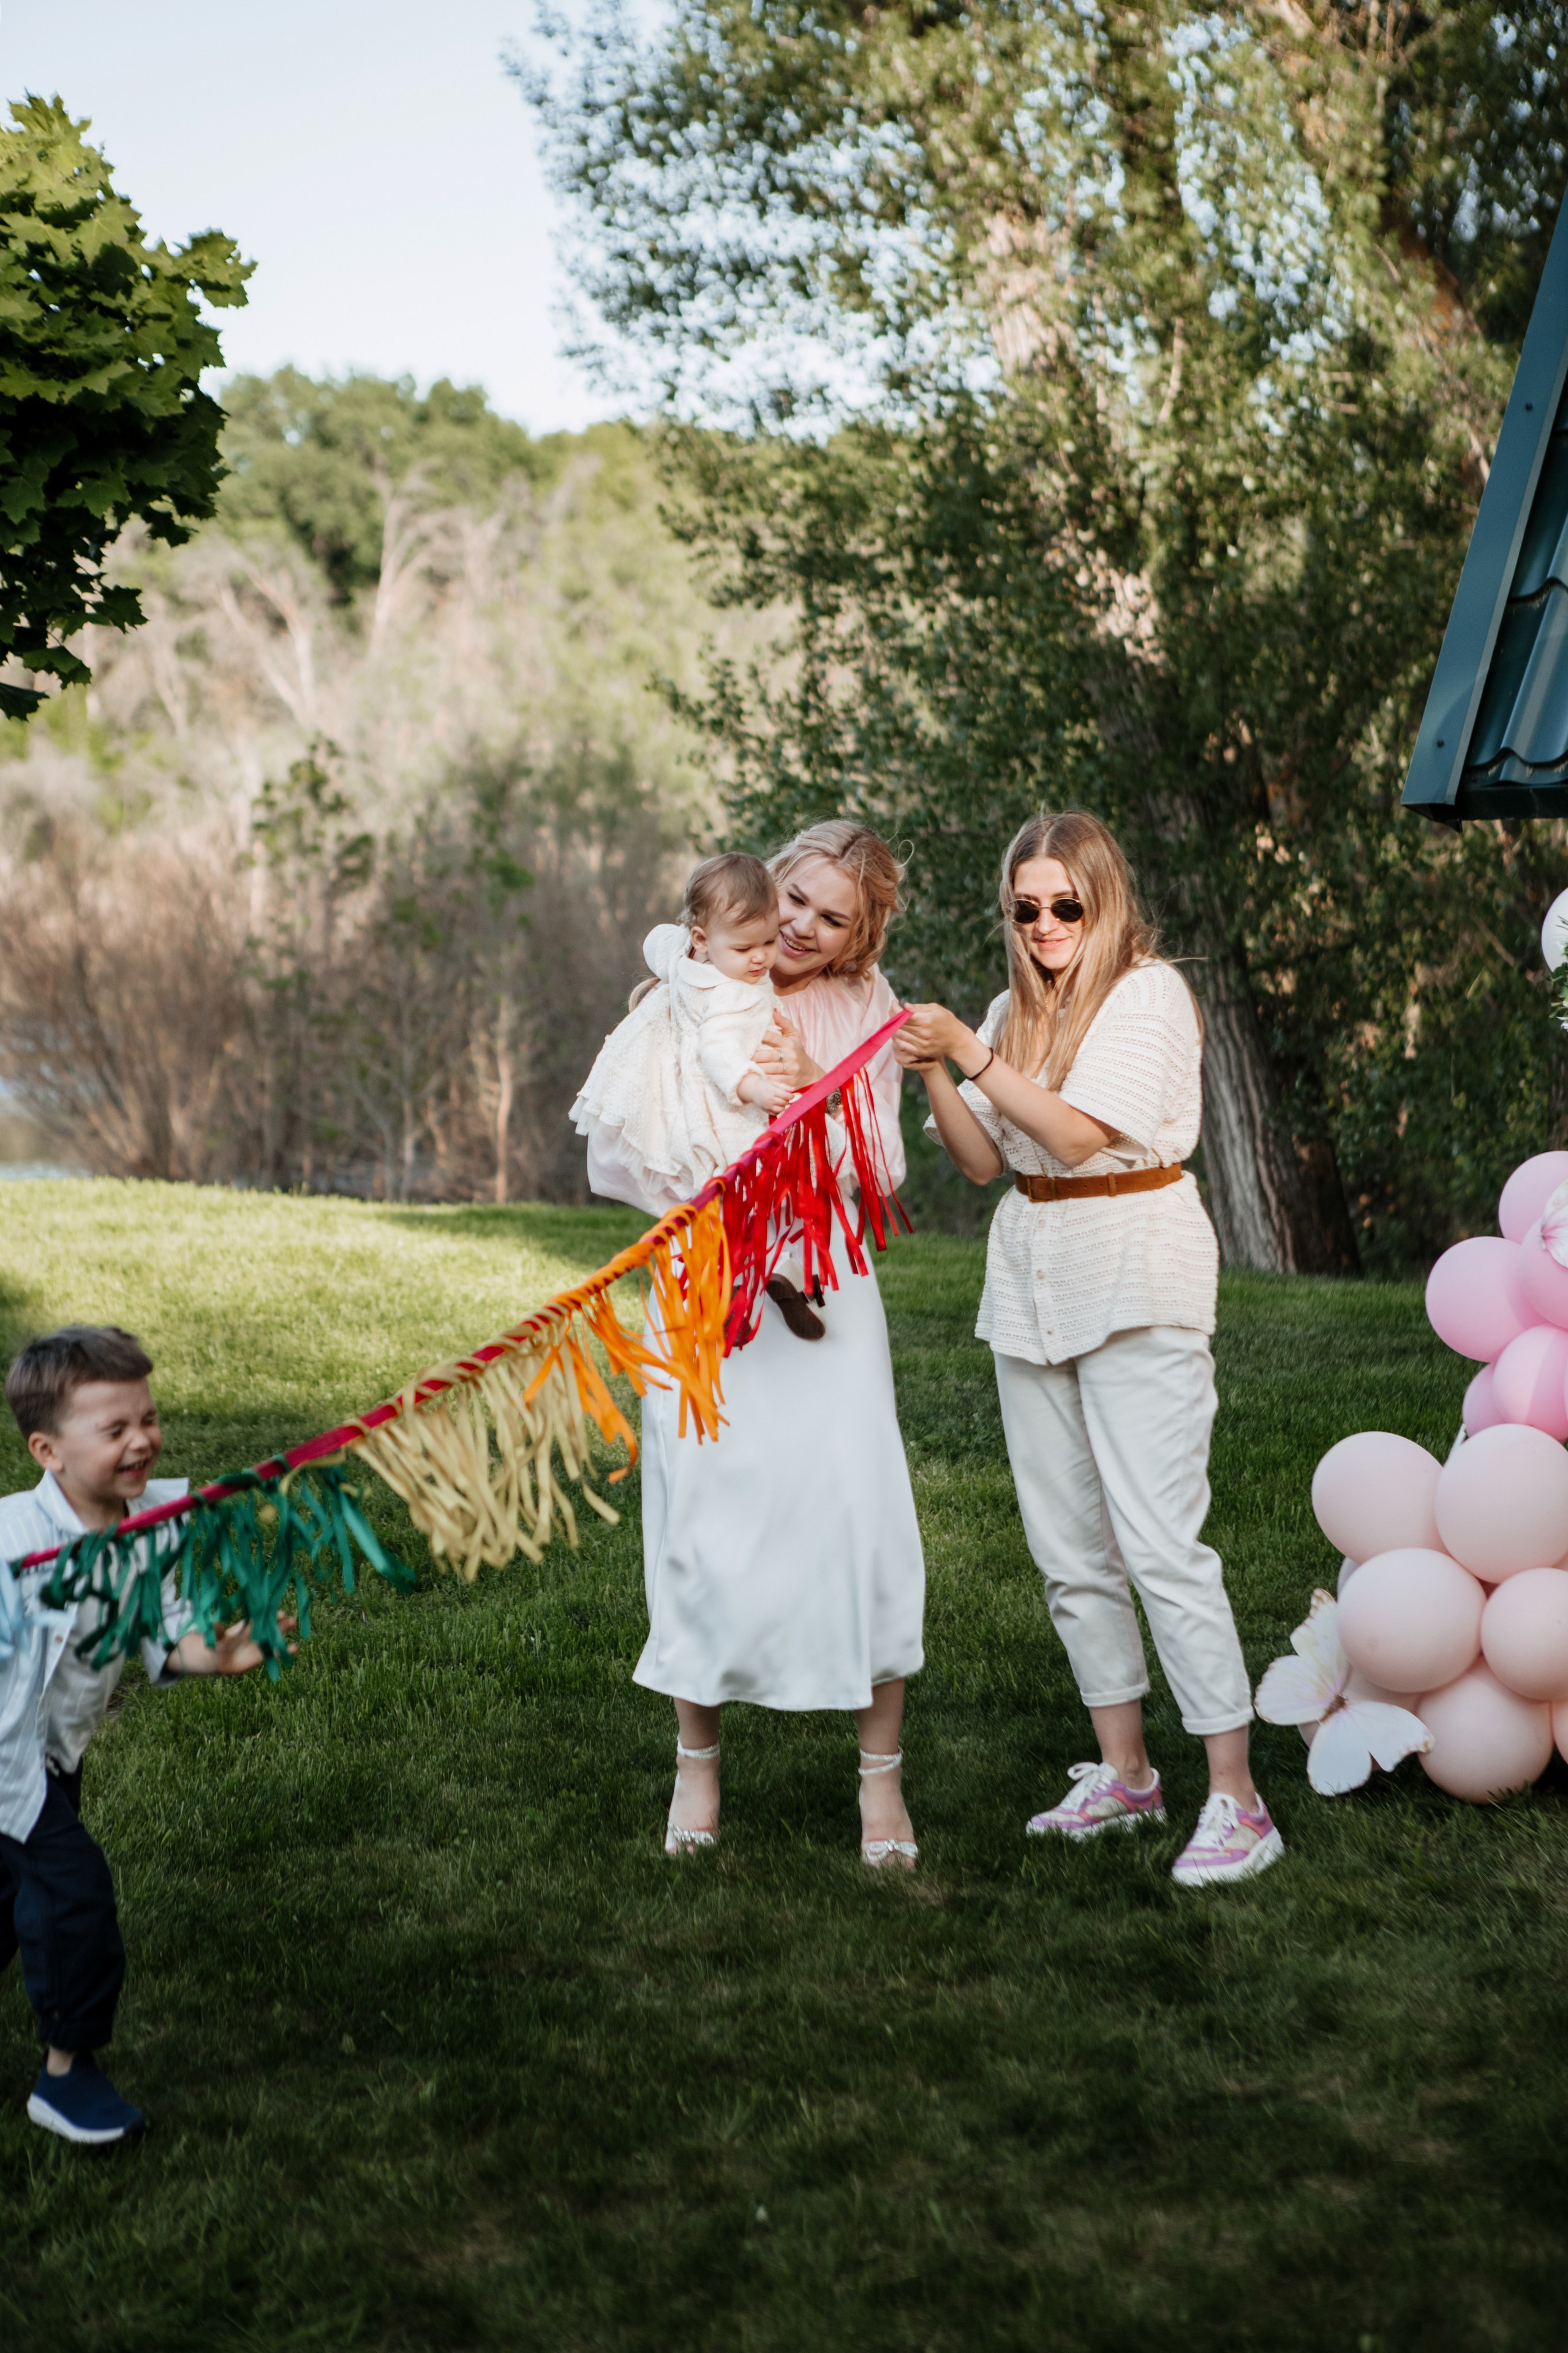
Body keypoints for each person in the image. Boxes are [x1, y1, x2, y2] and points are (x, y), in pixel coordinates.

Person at [897, 809, 1282, 1888]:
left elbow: (1074, 1135)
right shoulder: (1010, 1010)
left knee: (1160, 1542)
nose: (1046, 924)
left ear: (1103, 899)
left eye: (1065, 903)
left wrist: (969, 1051)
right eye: (1025, 908)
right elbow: (984, 1162)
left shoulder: (1146, 994)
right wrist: (933, 1070)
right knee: (1069, 1549)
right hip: (1033, 1275)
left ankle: (1240, 1801)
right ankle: (1127, 1774)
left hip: (1138, 1267)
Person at [584, 821, 925, 1865]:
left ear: (862, 935)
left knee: (858, 1513)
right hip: (712, 1278)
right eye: (796, 900)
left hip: (826, 1282)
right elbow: (624, 1153)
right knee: (704, 1513)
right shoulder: (690, 988)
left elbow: (885, 1172)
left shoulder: (867, 1006)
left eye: (835, 919)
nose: (804, 928)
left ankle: (880, 1783)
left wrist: (817, 1079)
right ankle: (697, 1764)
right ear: (768, 888)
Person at [0, 1326, 290, 2144]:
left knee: (9, 1896)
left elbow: (167, 1632)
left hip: (54, 1753)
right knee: (73, 1893)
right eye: (115, 1428)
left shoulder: (156, 1525)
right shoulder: (11, 1538)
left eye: (149, 1418)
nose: (142, 1440)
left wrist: (217, 1654)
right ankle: (67, 2076)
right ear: (48, 1450)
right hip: (6, 1765)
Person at [571, 851, 825, 1338]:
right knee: (759, 1190)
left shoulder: (682, 959)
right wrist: (756, 1088)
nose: (760, 959)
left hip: (678, 1101)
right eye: (745, 947)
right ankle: (770, 1274)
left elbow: (657, 940)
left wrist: (678, 938)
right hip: (726, 1103)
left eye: (769, 941)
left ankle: (731, 1283)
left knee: (704, 1204)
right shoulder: (735, 994)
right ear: (704, 940)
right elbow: (718, 1050)